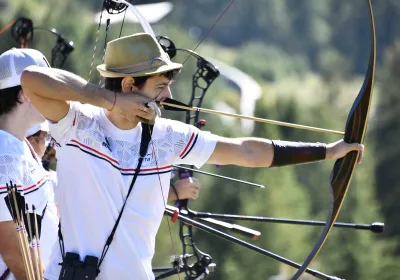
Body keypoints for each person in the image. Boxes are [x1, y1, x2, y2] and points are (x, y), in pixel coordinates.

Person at [20, 33, 364, 280]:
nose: (168, 96)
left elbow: (245, 151)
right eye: (160, 86)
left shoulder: (169, 137)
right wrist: (107, 101)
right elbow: (31, 79)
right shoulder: (77, 123)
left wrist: (327, 151)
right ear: (128, 86)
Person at [0, 48, 58, 279]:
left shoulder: (17, 145)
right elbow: (13, 250)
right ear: (24, 94)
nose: (53, 96)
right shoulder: (6, 154)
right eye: (46, 89)